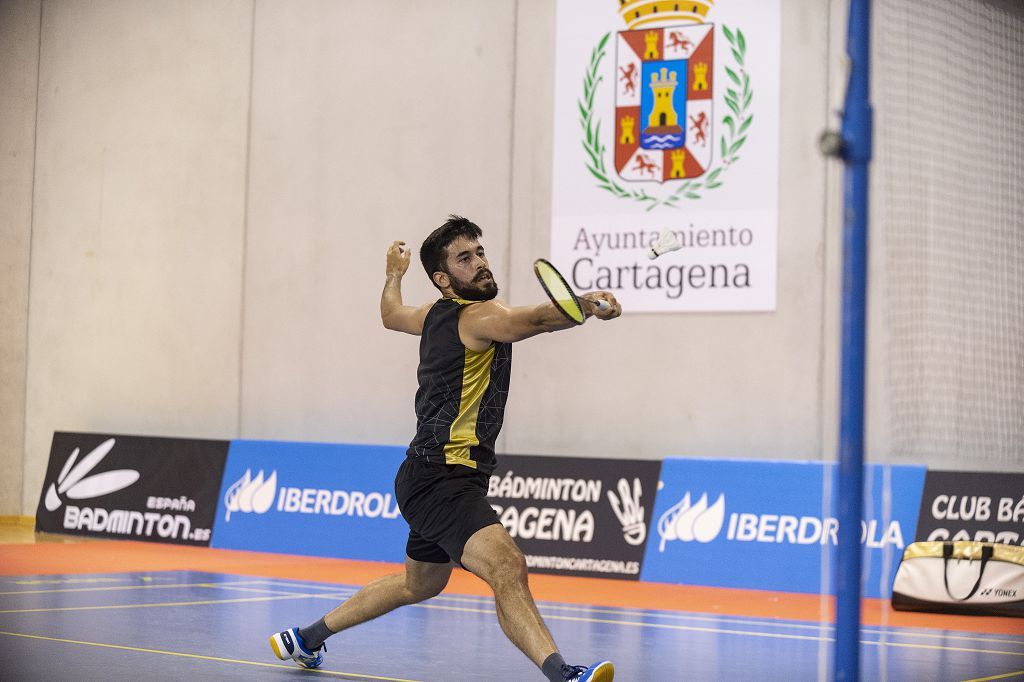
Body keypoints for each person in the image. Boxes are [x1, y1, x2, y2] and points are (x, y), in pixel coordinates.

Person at [270, 216, 621, 681]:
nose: (479, 263)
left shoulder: (431, 314)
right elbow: (533, 319)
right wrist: (584, 305)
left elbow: (390, 314)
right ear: (443, 279)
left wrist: (394, 274)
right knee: (507, 566)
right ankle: (564, 674)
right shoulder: (478, 317)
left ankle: (306, 638)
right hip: (443, 479)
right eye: (464, 258)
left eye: (479, 252)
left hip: (425, 475)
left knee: (421, 583)